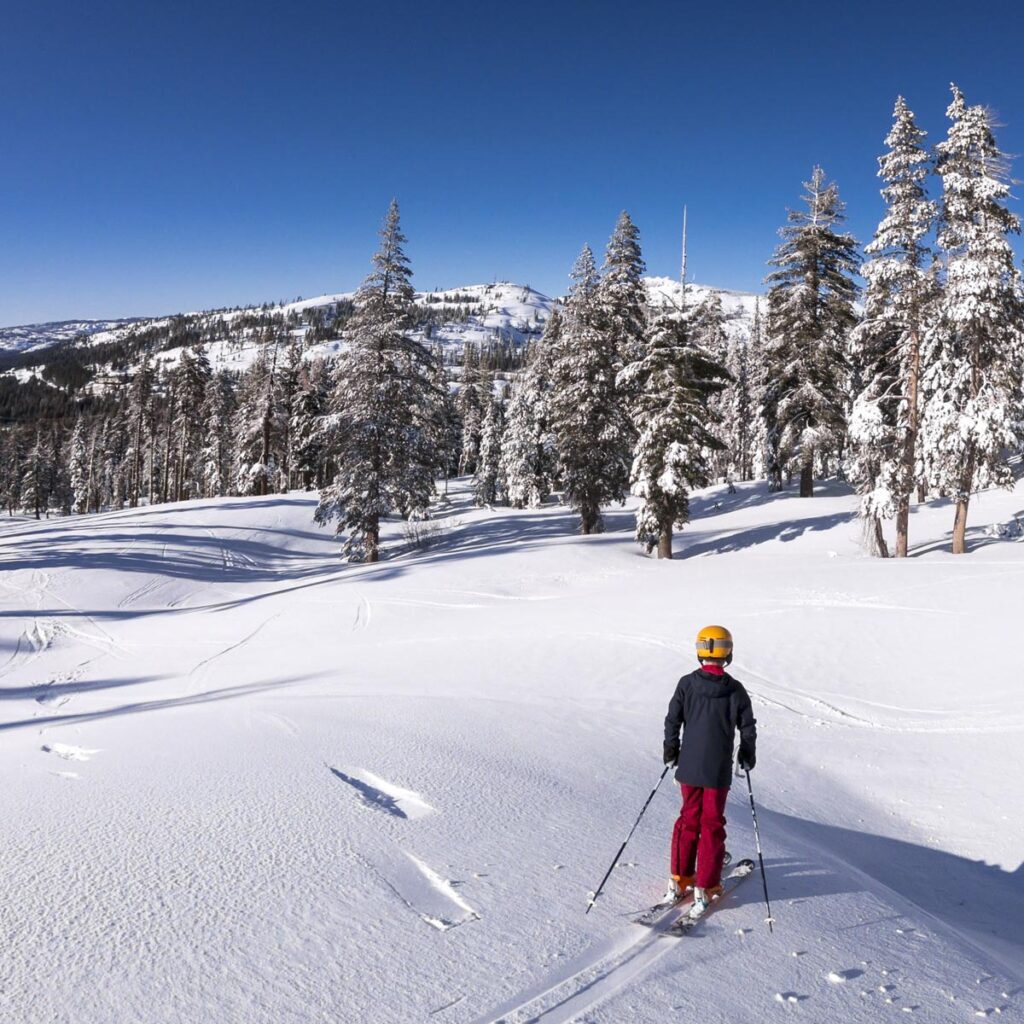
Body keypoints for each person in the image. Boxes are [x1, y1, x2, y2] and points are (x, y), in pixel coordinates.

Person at [663, 624, 757, 918]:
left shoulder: (686, 684)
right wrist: (747, 754)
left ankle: (680, 878)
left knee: (688, 819)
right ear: (728, 652)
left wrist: (671, 751)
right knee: (712, 824)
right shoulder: (735, 690)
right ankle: (706, 885)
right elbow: (748, 727)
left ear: (700, 651)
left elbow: (672, 720)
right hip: (717, 771)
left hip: (689, 767)